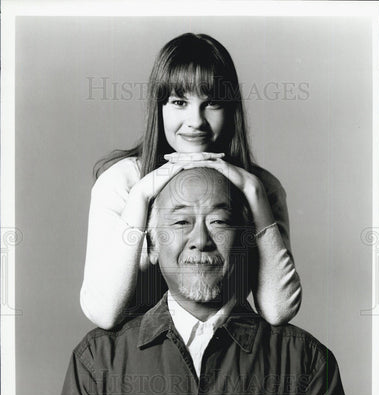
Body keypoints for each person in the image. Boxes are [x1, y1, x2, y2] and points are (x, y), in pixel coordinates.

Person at [50, 168, 351, 395]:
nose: (200, 240)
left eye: (218, 221)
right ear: (152, 247)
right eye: (181, 222)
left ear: (246, 242)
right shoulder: (97, 362)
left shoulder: (308, 364)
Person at [80, 32, 302, 329]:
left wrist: (253, 192)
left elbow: (278, 310)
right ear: (159, 108)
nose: (196, 121)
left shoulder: (260, 187)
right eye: (179, 102)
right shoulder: (123, 182)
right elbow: (103, 313)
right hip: (140, 357)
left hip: (228, 354)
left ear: (231, 109)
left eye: (211, 103)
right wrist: (142, 195)